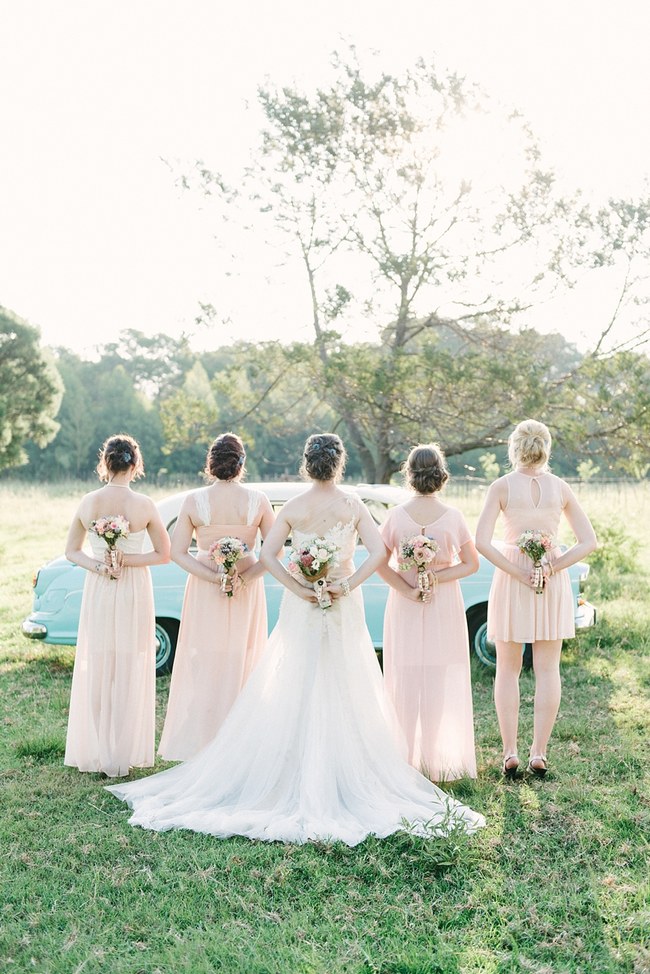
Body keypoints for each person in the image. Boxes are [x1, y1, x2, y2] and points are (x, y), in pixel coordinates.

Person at [107, 433, 485, 845]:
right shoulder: (352, 505)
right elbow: (377, 554)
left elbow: (269, 556)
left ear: (307, 465)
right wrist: (346, 584)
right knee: (345, 682)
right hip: (341, 604)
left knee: (296, 681)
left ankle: (292, 764)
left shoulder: (294, 507)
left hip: (302, 607)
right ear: (339, 465)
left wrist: (299, 588)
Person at [475, 419, 597, 779]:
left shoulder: (501, 486)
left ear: (514, 448)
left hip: (514, 579)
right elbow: (588, 541)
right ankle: (539, 753)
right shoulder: (560, 487)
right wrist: (554, 565)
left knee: (508, 669)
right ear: (546, 448)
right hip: (551, 578)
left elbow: (482, 541)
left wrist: (516, 571)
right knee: (547, 669)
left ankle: (510, 752)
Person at [158, 432, 275, 760]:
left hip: (205, 587)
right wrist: (244, 578)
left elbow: (178, 553)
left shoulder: (194, 501)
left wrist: (212, 576)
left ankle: (206, 738)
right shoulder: (259, 500)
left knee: (206, 657)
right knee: (243, 656)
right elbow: (274, 552)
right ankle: (239, 742)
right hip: (247, 586)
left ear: (210, 464)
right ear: (242, 464)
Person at [64, 434, 171, 777]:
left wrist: (100, 565)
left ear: (105, 463)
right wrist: (127, 561)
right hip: (133, 589)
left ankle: (99, 750)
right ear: (136, 465)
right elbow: (163, 554)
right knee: (129, 663)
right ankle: (120, 754)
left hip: (99, 588)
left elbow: (71, 551)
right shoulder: (145, 505)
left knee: (98, 665)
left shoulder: (88, 501)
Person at [379, 443, 479, 782]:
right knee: (435, 679)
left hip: (406, 605)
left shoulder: (395, 516)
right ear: (441, 474)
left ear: (409, 474)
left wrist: (407, 588)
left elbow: (379, 563)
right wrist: (439, 575)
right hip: (443, 604)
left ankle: (406, 763)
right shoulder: (453, 517)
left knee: (404, 678)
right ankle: (432, 762)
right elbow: (471, 564)